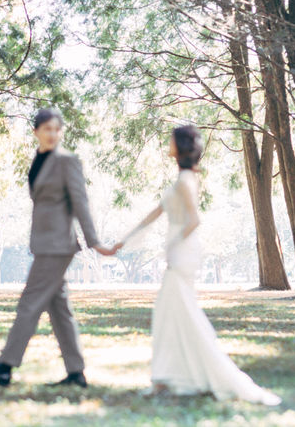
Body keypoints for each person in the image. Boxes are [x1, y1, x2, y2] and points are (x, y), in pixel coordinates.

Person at [112, 125, 281, 406]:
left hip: (182, 255)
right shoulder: (182, 179)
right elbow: (153, 215)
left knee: (181, 313)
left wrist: (172, 245)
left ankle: (174, 377)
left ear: (179, 147)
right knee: (169, 313)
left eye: (171, 141)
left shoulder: (185, 181)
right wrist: (123, 242)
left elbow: (194, 220)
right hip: (180, 253)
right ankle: (166, 377)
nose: (168, 143)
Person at [0, 107, 116, 388]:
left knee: (29, 303)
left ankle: (4, 365)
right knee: (59, 310)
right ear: (36, 132)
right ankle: (76, 373)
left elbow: (80, 203)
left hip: (57, 245)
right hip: (44, 244)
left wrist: (94, 241)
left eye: (57, 129)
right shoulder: (39, 160)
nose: (53, 134)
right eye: (47, 128)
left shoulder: (66, 161)